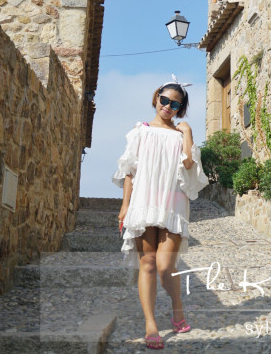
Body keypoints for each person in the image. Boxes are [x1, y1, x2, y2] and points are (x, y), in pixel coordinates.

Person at [112, 76, 208, 350]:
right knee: (148, 264)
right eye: (164, 100)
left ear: (180, 108)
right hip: (143, 203)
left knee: (166, 266)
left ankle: (177, 308)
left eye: (175, 104)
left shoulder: (180, 134)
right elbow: (130, 171)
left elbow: (188, 165)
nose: (167, 106)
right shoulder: (140, 131)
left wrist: (187, 133)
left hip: (172, 205)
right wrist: (125, 206)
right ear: (156, 98)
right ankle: (151, 325)